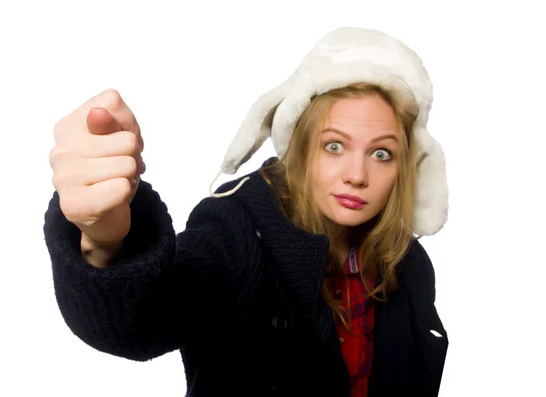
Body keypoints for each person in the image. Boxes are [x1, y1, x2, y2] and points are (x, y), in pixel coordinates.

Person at [44, 27, 449, 397]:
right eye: (334, 146)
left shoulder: (407, 263)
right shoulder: (237, 229)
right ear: (301, 146)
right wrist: (104, 241)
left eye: (381, 153)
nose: (357, 175)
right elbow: (146, 320)